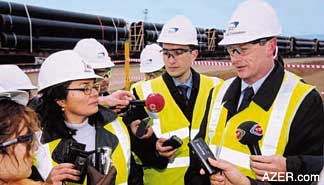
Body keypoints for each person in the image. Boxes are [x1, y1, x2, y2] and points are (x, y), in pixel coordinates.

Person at [199, 0, 324, 184]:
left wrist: (292, 167)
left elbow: (314, 177)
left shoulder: (304, 100)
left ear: (270, 47)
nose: (235, 59)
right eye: (231, 51)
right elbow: (199, 154)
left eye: (243, 50)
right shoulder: (218, 92)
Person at [125, 15, 223, 185]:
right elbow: (134, 146)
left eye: (178, 53)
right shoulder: (142, 91)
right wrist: (155, 151)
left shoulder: (217, 88)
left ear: (194, 54)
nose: (171, 60)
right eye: (166, 53)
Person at [34, 50, 132, 185]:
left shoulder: (116, 125)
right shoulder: (38, 144)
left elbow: (134, 176)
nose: (94, 93)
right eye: (85, 88)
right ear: (60, 99)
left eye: (94, 86)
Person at [74, 38, 134, 112]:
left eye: (107, 72)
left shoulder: (107, 98)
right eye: (98, 74)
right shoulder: (65, 103)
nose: (105, 79)